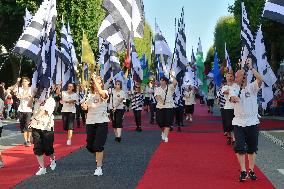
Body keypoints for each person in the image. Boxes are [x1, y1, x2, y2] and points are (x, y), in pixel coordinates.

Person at [229, 58, 263, 182]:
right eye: (235, 77)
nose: (235, 79)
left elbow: (260, 79)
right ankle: (243, 171)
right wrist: (234, 98)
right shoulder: (234, 88)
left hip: (252, 121)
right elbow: (232, 97)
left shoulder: (252, 87)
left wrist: (251, 68)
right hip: (238, 122)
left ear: (244, 77)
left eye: (238, 77)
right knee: (239, 147)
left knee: (252, 148)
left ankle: (252, 170)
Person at [81, 74, 109, 176]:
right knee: (90, 146)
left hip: (102, 122)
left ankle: (99, 167)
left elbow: (102, 93)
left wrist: (94, 79)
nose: (97, 84)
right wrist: (84, 106)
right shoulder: (89, 95)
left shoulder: (105, 92)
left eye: (99, 82)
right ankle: (98, 156)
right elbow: (85, 107)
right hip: (90, 122)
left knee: (98, 146)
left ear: (101, 84)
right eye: (95, 82)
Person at [28, 94, 56, 175]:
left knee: (48, 149)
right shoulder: (37, 99)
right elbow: (29, 105)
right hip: (36, 126)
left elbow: (44, 111)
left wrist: (35, 118)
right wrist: (33, 95)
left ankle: (53, 159)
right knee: (37, 148)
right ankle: (42, 168)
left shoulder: (50, 100)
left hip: (46, 127)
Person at [154, 75, 177, 142]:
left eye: (162, 80)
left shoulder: (170, 87)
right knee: (160, 121)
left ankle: (166, 136)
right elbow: (157, 96)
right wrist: (161, 101)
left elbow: (175, 83)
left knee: (168, 121)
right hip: (160, 106)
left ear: (166, 81)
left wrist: (173, 76)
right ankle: (163, 132)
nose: (161, 81)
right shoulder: (157, 89)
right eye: (160, 80)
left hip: (169, 106)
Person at [16, 77, 33, 147]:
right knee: (23, 126)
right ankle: (26, 141)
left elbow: (28, 95)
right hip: (21, 109)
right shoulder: (20, 89)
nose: (24, 82)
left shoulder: (31, 89)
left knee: (27, 125)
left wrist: (21, 96)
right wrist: (17, 82)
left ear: (28, 82)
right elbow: (15, 91)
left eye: (25, 81)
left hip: (28, 110)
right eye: (23, 81)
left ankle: (29, 139)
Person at [222, 71, 237, 145]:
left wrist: (233, 90)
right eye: (228, 76)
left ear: (233, 77)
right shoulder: (224, 86)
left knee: (235, 124)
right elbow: (225, 92)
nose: (229, 78)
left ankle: (234, 139)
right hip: (227, 107)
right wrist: (233, 90)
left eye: (231, 76)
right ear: (226, 77)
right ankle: (229, 137)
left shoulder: (236, 85)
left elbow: (237, 92)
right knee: (228, 125)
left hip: (236, 108)